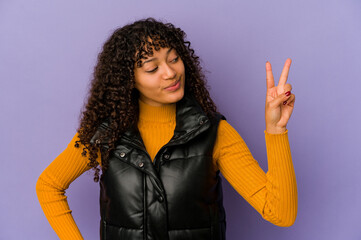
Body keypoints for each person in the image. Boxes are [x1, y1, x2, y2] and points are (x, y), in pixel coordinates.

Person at [36, 18, 297, 240]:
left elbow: (281, 214)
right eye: (152, 68)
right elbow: (49, 185)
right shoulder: (105, 133)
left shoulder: (214, 132)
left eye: (174, 59)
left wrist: (276, 131)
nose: (171, 73)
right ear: (129, 80)